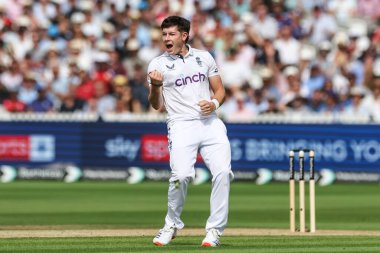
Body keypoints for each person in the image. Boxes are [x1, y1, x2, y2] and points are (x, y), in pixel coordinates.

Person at [147, 16, 233, 247]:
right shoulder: (157, 64)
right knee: (182, 176)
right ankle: (171, 224)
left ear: (184, 36)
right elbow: (156, 105)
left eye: (171, 34)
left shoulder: (204, 57)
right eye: (164, 34)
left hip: (210, 123)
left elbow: (220, 90)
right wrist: (156, 86)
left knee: (223, 173)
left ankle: (214, 231)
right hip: (181, 125)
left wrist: (213, 104)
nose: (166, 38)